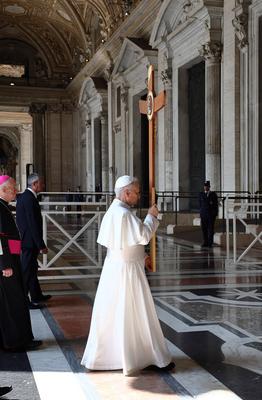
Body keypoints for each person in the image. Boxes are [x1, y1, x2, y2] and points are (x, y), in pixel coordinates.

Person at [81, 175, 174, 376]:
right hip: (128, 272)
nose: (139, 195)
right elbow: (142, 235)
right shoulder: (123, 214)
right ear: (126, 193)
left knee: (115, 313)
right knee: (135, 312)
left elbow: (125, 244)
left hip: (117, 268)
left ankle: (114, 357)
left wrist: (143, 256)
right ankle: (144, 355)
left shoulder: (115, 211)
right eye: (137, 192)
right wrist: (152, 216)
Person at [0, 175, 42, 351]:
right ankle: (16, 341)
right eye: (12, 188)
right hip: (7, 262)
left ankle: (14, 339)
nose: (16, 191)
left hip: (12, 258)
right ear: (3, 190)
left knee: (13, 301)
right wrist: (5, 265)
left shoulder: (3, 206)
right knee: (14, 302)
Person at [16, 173, 51, 309]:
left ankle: (37, 295)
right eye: (41, 183)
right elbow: (32, 224)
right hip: (29, 242)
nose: (42, 185)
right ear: (35, 184)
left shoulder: (26, 197)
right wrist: (41, 245)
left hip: (27, 241)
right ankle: (25, 300)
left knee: (32, 269)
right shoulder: (29, 199)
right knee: (27, 272)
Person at [199, 180, 218, 248]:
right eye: (205, 186)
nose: (206, 187)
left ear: (209, 187)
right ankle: (205, 242)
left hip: (210, 215)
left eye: (207, 186)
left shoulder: (213, 194)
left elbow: (216, 205)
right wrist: (201, 212)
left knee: (210, 229)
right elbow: (200, 204)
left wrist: (215, 213)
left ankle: (210, 242)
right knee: (204, 229)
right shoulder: (201, 194)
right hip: (203, 214)